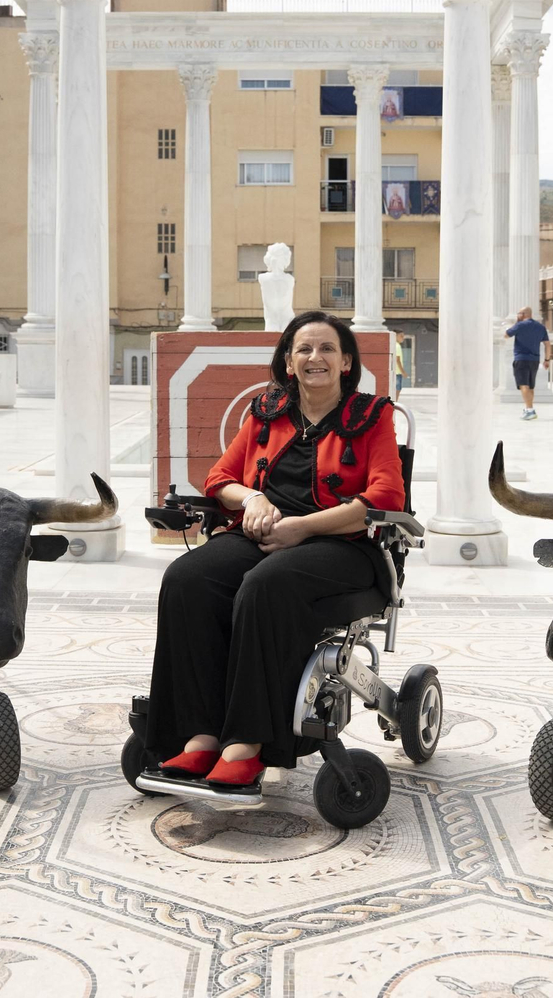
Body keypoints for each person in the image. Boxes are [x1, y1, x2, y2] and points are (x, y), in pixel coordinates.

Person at [143, 310, 406, 788]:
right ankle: (199, 736)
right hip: (264, 535)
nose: (314, 357)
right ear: (288, 362)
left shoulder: (372, 417)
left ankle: (248, 743)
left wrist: (302, 528)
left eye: (327, 348)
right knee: (186, 579)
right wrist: (253, 499)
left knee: (266, 585)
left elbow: (386, 498)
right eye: (303, 349)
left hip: (343, 547)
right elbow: (220, 479)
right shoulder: (267, 412)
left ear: (346, 362)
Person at [504, 307, 550, 420]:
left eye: (519, 313)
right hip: (534, 360)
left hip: (521, 359)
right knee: (530, 386)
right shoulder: (540, 327)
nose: (517, 315)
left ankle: (530, 410)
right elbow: (547, 344)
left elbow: (506, 335)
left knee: (523, 385)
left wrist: (516, 323)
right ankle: (528, 408)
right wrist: (547, 360)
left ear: (523, 314)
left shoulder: (520, 325)